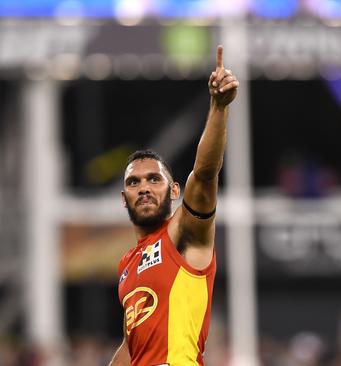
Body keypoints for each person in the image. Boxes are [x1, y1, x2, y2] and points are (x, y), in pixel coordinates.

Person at [108, 45, 239, 366]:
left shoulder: (184, 234)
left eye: (154, 179)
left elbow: (206, 173)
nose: (144, 188)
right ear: (124, 198)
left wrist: (218, 108)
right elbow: (131, 346)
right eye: (133, 182)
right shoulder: (127, 265)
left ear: (175, 190)